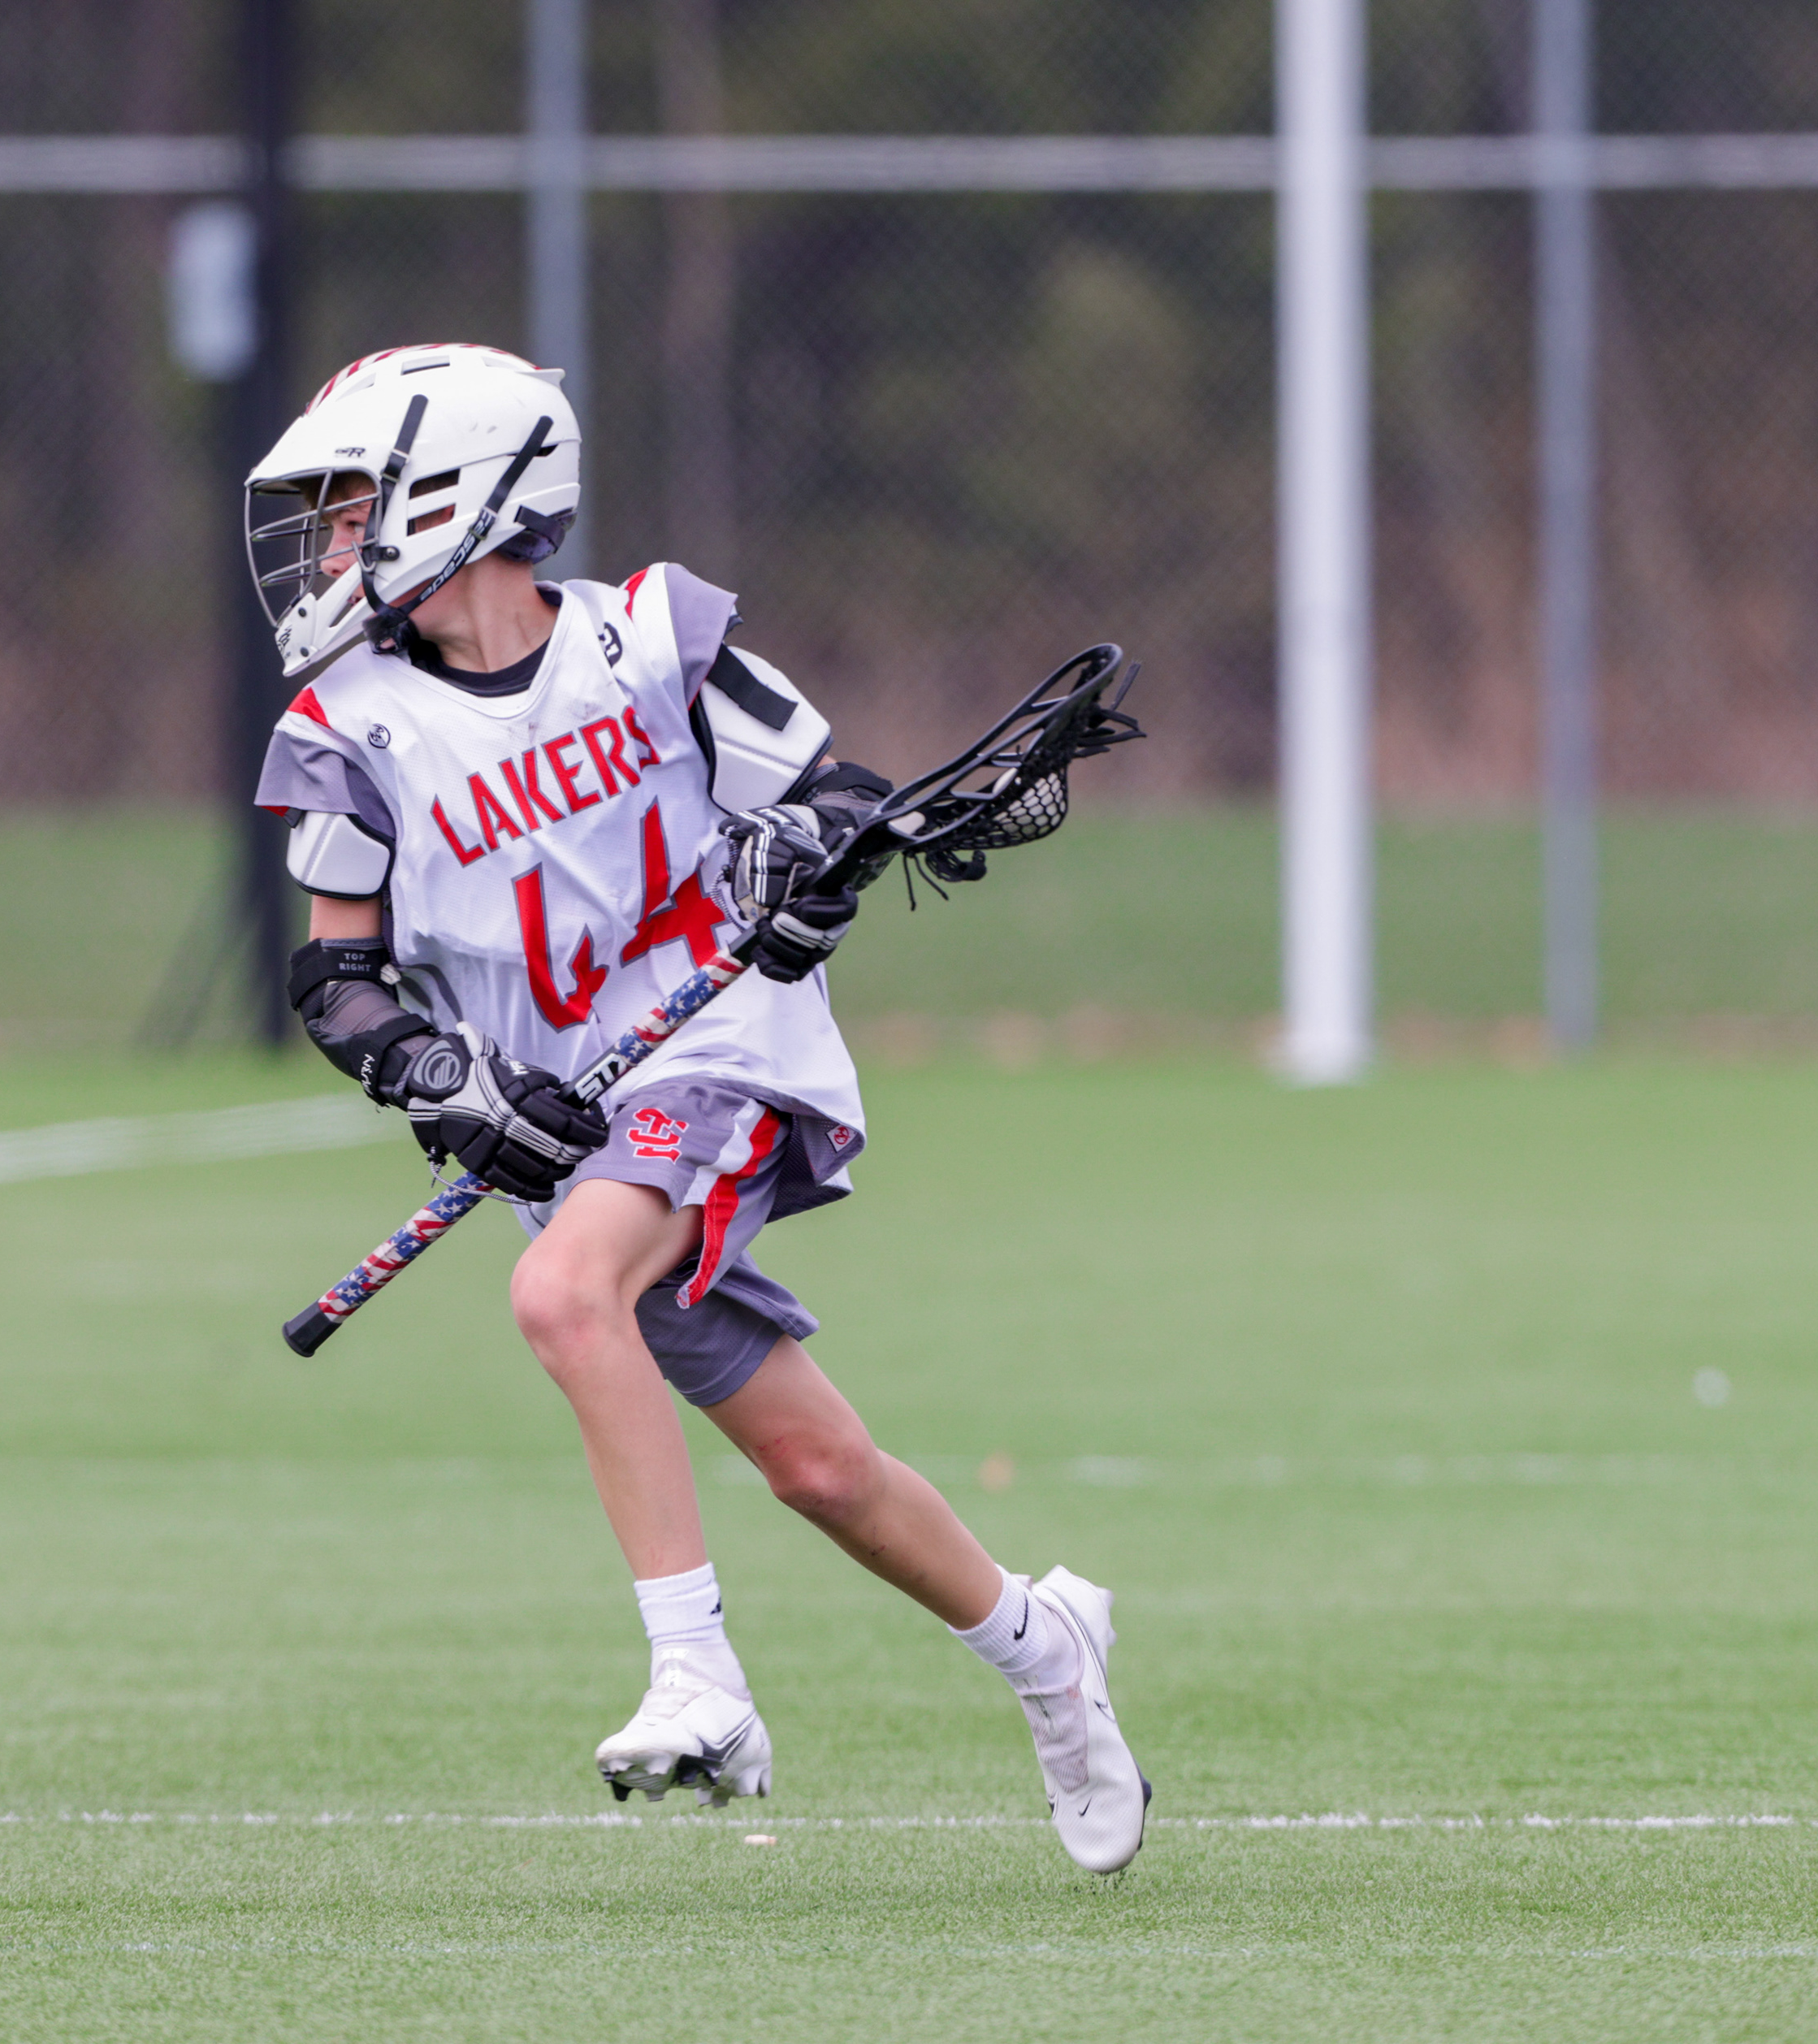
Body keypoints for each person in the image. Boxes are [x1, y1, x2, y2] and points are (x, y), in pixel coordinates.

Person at [248, 344, 1148, 1873]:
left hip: (718, 1046)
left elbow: (837, 797)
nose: (329, 544)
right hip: (563, 1114)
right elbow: (338, 981)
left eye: (352, 507)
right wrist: (449, 1087)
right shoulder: (348, 729)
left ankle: (698, 1678)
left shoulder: (654, 639)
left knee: (559, 1292)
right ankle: (1042, 1646)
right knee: (818, 1470)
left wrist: (802, 867)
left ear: (460, 494)